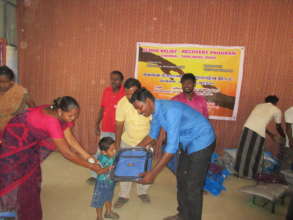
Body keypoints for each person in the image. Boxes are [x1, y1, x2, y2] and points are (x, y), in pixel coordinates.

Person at [0, 96, 109, 220]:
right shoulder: (52, 122)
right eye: (71, 116)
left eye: (75, 115)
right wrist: (91, 166)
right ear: (60, 112)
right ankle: (8, 206)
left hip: (29, 140)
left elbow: (70, 139)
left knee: (31, 174)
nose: (74, 118)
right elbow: (67, 153)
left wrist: (88, 156)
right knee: (14, 174)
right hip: (15, 138)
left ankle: (24, 204)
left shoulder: (59, 113)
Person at [130, 88, 216, 220]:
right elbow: (152, 136)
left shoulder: (171, 111)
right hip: (188, 141)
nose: (139, 112)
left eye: (140, 107)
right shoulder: (156, 112)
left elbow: (171, 148)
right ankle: (182, 215)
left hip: (202, 140)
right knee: (181, 179)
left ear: (148, 101)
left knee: (193, 186)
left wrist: (152, 174)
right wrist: (132, 152)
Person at [113, 78, 152, 208]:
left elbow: (154, 124)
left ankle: (142, 192)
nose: (129, 96)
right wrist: (118, 145)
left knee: (144, 168)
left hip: (146, 142)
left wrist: (152, 142)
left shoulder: (147, 102)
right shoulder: (122, 103)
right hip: (127, 141)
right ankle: (124, 195)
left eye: (132, 93)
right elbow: (119, 125)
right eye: (127, 93)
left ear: (139, 90)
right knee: (125, 169)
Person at [234, 95, 286, 179]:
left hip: (247, 128)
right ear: (276, 102)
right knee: (254, 153)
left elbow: (260, 123)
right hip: (258, 132)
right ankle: (250, 175)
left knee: (243, 151)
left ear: (266, 101)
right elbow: (278, 127)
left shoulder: (258, 106)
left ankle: (240, 173)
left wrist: (271, 135)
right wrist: (284, 136)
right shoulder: (277, 110)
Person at [87, 70, 124, 184]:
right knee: (100, 152)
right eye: (112, 79)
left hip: (120, 130)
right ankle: (95, 174)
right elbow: (102, 108)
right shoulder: (106, 91)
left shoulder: (125, 93)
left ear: (121, 81)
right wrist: (96, 123)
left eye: (116, 79)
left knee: (118, 153)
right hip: (106, 128)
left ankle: (115, 175)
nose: (113, 81)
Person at [0, 65, 35, 136]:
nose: (1, 85)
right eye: (0, 82)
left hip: (14, 126)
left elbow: (32, 107)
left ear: (12, 81)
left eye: (5, 82)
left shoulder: (20, 91)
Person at [91, 137, 119, 220]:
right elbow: (99, 172)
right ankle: (99, 217)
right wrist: (108, 168)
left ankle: (108, 212)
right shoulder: (102, 159)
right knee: (99, 201)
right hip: (102, 183)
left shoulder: (113, 155)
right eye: (112, 149)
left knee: (109, 197)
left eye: (115, 148)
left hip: (110, 181)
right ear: (104, 152)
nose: (115, 151)